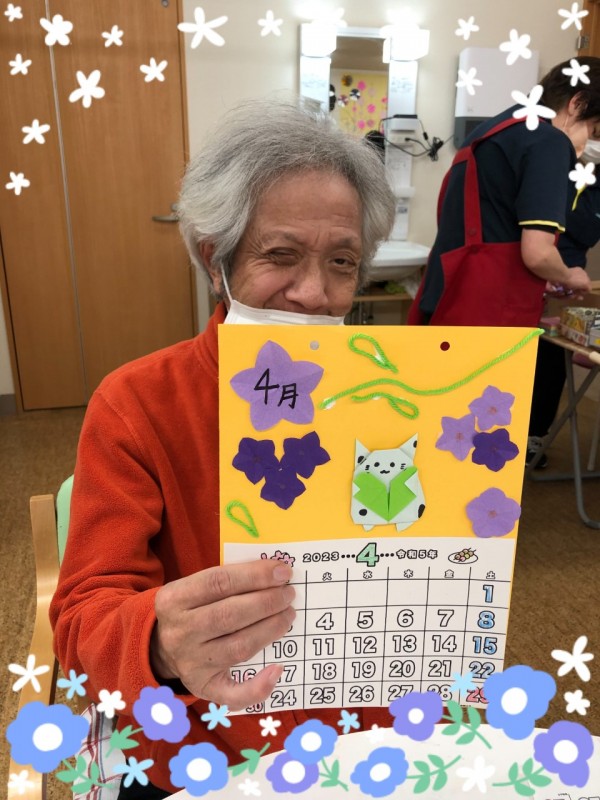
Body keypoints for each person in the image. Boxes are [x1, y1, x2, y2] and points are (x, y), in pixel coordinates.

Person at [49, 98, 396, 799]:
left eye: (342, 262)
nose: (314, 294)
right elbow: (83, 620)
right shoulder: (139, 402)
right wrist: (158, 639)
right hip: (204, 745)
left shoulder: (401, 396)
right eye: (280, 255)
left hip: (366, 738)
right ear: (216, 261)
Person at [408, 57, 600, 328]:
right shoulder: (550, 141)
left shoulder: (491, 132)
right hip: (485, 315)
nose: (592, 142)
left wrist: (540, 278)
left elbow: (493, 228)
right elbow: (538, 253)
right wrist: (569, 275)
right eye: (596, 130)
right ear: (577, 103)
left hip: (446, 298)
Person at [527, 138, 600, 466]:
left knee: (552, 356)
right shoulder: (550, 163)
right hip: (533, 272)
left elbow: (586, 230)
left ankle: (534, 435)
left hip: (567, 282)